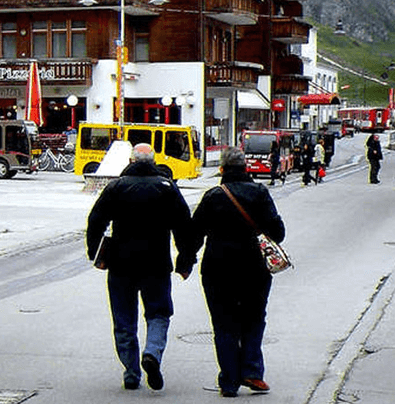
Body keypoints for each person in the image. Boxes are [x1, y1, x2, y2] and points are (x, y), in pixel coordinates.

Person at [177, 147, 285, 398]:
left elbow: (194, 234)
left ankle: (229, 381)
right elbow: (278, 232)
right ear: (246, 167)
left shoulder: (213, 196)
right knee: (254, 318)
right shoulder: (260, 193)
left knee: (223, 323)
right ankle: (252, 371)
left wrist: (185, 262)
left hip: (218, 268)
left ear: (222, 169)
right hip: (254, 268)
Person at [85, 143, 193, 391]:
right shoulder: (167, 187)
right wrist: (185, 260)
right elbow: (183, 226)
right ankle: (152, 352)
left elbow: (96, 220)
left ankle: (131, 372)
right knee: (159, 313)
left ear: (131, 161)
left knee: (124, 319)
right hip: (156, 263)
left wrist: (95, 253)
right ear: (153, 162)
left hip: (121, 264)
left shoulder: (117, 187)